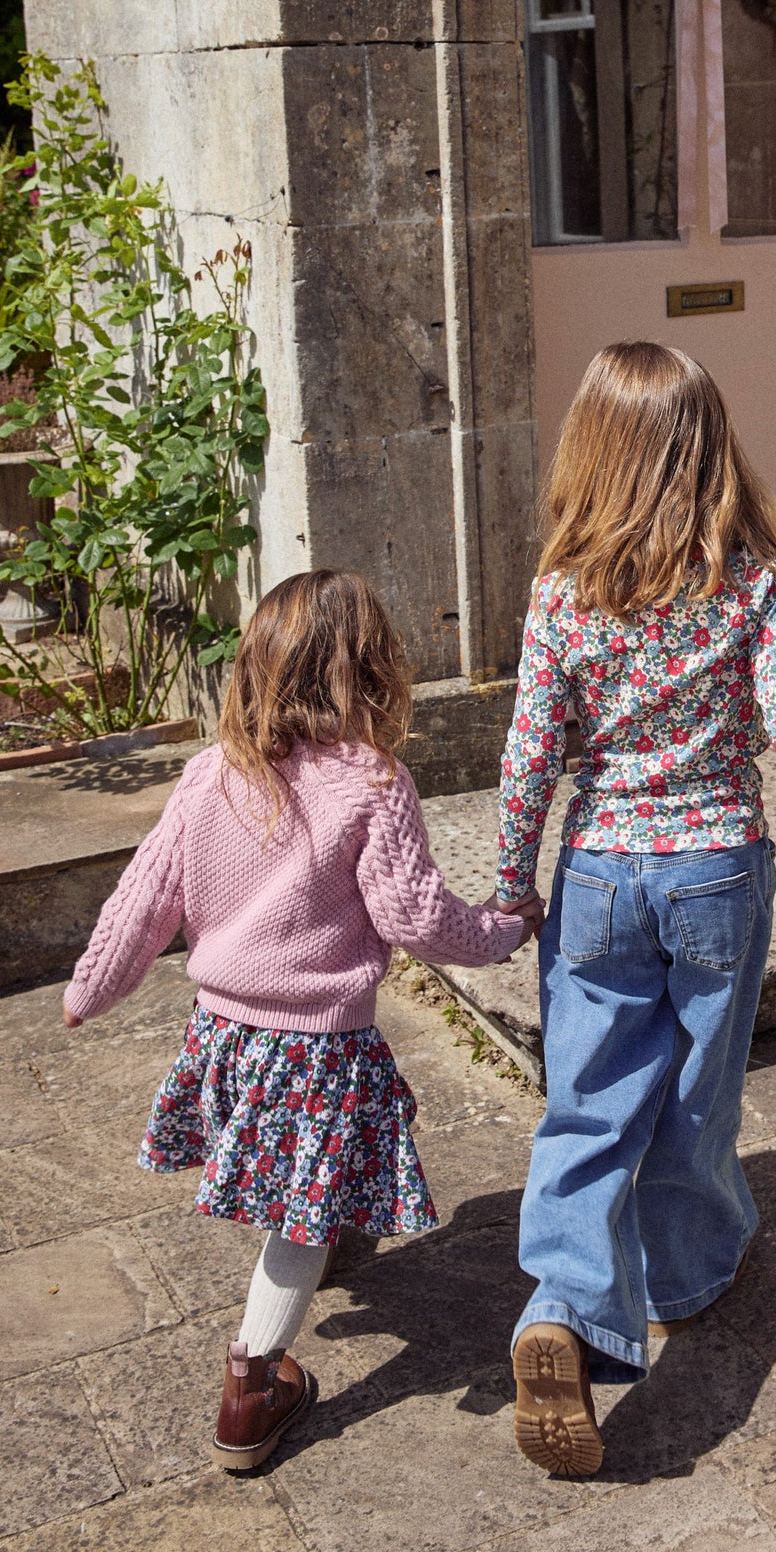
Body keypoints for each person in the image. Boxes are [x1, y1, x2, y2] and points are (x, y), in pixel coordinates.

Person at [497, 341, 776, 1477]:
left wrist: (503, 883)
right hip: (715, 871)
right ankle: (681, 1275)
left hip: (595, 874)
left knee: (584, 1105)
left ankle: (565, 1306)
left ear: (590, 450)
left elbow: (531, 751)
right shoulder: (744, 581)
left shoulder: (559, 590)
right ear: (706, 446)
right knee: (694, 1091)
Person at [62, 570, 536, 1472]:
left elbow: (142, 902)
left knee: (308, 1175)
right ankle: (253, 1380)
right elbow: (415, 920)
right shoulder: (372, 783)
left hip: (227, 1032)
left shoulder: (210, 774)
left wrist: (91, 989)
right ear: (372, 669)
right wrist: (504, 932)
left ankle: (324, 1250)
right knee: (302, 1213)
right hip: (317, 1047)